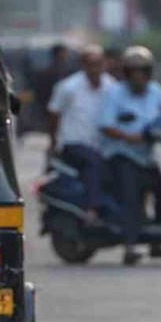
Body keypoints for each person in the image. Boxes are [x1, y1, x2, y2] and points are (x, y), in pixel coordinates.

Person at [99, 45, 161, 265]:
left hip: (149, 154)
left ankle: (157, 244)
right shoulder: (114, 93)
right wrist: (127, 136)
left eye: (143, 71)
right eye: (133, 71)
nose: (139, 76)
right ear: (126, 73)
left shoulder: (155, 91)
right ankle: (130, 245)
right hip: (123, 154)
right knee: (132, 197)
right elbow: (104, 125)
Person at [48, 45, 115, 220]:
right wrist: (54, 141)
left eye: (99, 63)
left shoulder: (111, 86)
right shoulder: (68, 87)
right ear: (83, 65)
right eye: (91, 64)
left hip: (103, 144)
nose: (96, 68)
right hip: (74, 144)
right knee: (93, 163)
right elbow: (54, 113)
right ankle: (92, 208)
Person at [33, 44, 71, 120]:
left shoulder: (70, 71)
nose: (66, 56)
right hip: (51, 109)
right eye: (64, 53)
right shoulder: (46, 74)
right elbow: (41, 94)